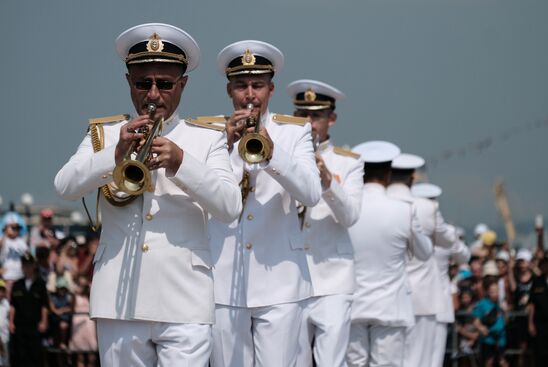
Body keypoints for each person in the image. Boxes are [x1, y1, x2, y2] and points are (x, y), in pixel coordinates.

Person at [54, 23, 242, 366]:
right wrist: (115, 154)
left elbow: (230, 207)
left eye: (165, 84)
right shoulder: (105, 133)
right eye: (143, 83)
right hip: (119, 301)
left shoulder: (207, 138)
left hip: (185, 299)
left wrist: (182, 162)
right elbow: (65, 186)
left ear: (182, 85)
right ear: (129, 82)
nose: (153, 95)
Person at [208, 40, 322, 367]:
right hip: (224, 277)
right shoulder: (212, 132)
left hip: (281, 277)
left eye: (257, 85)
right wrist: (225, 145)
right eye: (241, 86)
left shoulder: (294, 132)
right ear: (230, 90)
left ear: (271, 90)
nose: (250, 94)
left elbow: (311, 193)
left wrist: (273, 154)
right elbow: (209, 195)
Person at [286, 79, 364, 367]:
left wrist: (328, 181)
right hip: (292, 277)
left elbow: (351, 216)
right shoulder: (282, 157)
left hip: (333, 278)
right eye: (302, 115)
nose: (308, 123)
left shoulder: (349, 162)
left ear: (331, 119)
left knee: (331, 361)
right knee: (294, 361)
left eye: (316, 116)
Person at [346, 141, 433, 367]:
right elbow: (425, 253)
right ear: (388, 174)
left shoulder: (348, 208)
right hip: (390, 306)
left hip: (353, 304)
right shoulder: (403, 209)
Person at [387, 154, 456, 367]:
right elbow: (449, 240)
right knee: (423, 359)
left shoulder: (378, 202)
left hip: (388, 295)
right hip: (423, 296)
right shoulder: (428, 208)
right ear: (412, 177)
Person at [412, 182, 471, 367]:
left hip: (410, 298)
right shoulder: (446, 232)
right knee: (433, 359)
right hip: (438, 300)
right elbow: (464, 256)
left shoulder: (405, 226)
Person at [9, 253, 49, 367]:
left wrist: (44, 321)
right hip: (19, 325)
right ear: (22, 267)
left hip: (35, 325)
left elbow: (44, 305)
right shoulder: (17, 285)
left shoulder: (40, 284)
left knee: (35, 354)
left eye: (29, 265)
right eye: (25, 265)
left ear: (34, 266)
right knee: (19, 354)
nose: (27, 268)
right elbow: (13, 306)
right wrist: (11, 322)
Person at [473, 280, 508, 367]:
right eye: (492, 291)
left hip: (500, 338)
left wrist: (506, 312)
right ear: (488, 292)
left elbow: (506, 322)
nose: (495, 294)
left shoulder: (502, 303)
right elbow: (475, 321)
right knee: (489, 362)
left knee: (502, 362)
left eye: (496, 291)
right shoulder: (482, 304)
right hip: (488, 338)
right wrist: (481, 328)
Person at [527, 253, 548, 367]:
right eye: (546, 263)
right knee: (540, 354)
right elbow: (532, 304)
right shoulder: (538, 281)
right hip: (540, 324)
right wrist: (530, 323)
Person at [0, 213, 29, 297]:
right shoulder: (3, 239)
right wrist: (5, 232)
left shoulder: (21, 241)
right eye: (13, 228)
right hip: (7, 277)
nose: (16, 230)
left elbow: (27, 255)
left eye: (17, 228)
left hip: (20, 276)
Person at [0, 281, 9, 366]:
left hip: (5, 338)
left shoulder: (6, 303)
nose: (0, 293)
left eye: (2, 291)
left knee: (6, 362)